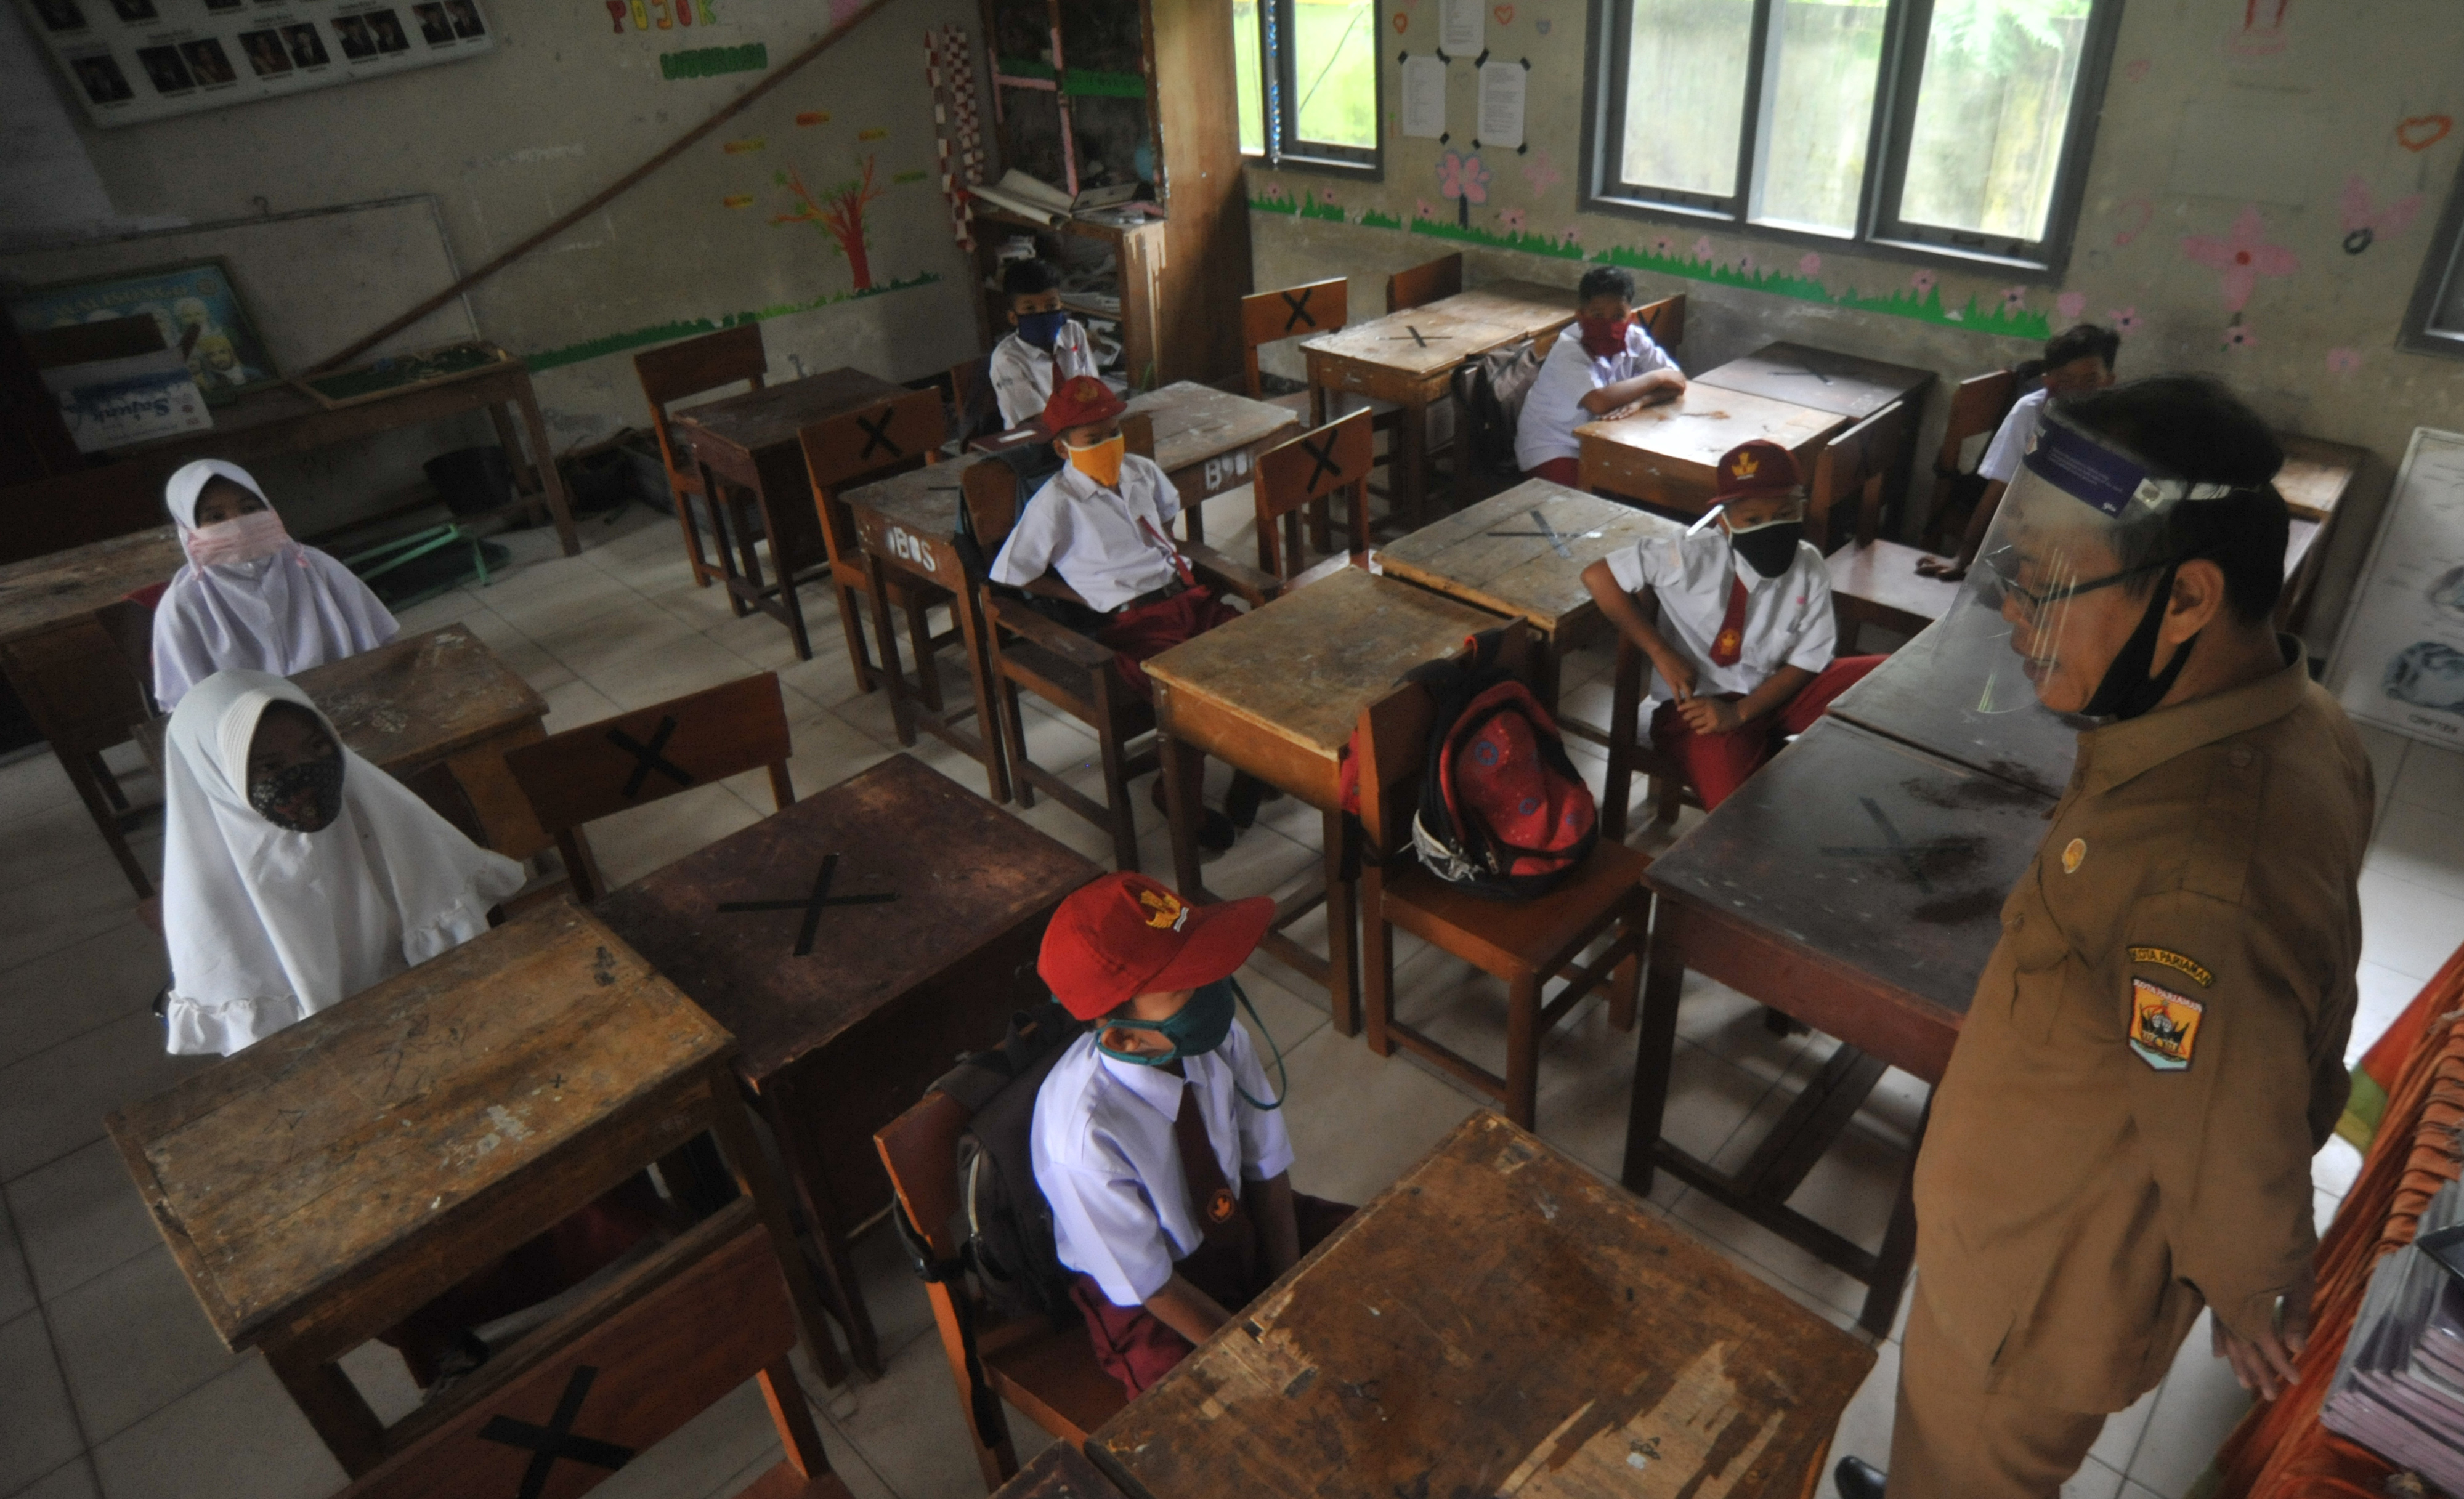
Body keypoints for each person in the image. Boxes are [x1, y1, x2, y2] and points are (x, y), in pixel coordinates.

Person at [1832, 377, 2374, 1499]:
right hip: (2033, 1222)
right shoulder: (2282, 714)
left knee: (1969, 1466)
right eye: (2017, 574)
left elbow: (2228, 1103)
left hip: (2033, 1290)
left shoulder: (2199, 875)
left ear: (2188, 598)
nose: (2021, 618)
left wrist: (2252, 1280)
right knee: (1944, 1438)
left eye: (2056, 585)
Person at [1030, 872, 1352, 1396]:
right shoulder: (1082, 1138)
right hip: (1151, 1292)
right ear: (1125, 1038)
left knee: (1376, 1255)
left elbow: (1266, 1166)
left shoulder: (1220, 1037)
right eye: (1187, 984)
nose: (1215, 983)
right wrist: (1255, 1352)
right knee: (1216, 1408)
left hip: (1236, 1217)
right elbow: (1149, 1283)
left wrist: (1288, 1290)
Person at [157, 669, 528, 1056]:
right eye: (268, 767)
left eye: (318, 749)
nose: (306, 775)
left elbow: (463, 956)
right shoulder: (208, 902)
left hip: (442, 1013)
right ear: (217, 776)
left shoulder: (378, 813)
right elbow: (268, 1056)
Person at [990, 375, 1271, 849]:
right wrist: (1085, 594)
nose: (1109, 445)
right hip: (1132, 622)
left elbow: (1165, 520)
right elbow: (1011, 574)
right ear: (1064, 450)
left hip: (1185, 598)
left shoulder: (1140, 471)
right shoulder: (1056, 504)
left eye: (1114, 432)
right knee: (1186, 696)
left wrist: (1163, 562)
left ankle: (1254, 769)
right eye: (1093, 439)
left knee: (1261, 654)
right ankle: (1178, 797)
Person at [1579, 440, 1883, 809]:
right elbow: (1599, 576)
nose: (1772, 528)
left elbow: (1808, 661)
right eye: (1753, 520)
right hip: (1700, 710)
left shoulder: (1808, 566)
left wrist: (1742, 713)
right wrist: (1660, 651)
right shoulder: (1690, 558)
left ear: (1802, 509)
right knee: (1739, 809)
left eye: (1786, 512)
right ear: (1724, 523)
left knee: (1892, 680)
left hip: (1776, 694)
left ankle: (1868, 788)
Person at [150, 459, 398, 711]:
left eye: (249, 509)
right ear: (187, 529)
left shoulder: (316, 567)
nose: (238, 524)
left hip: (350, 700)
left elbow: (381, 648)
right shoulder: (183, 604)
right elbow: (192, 705)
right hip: (255, 731)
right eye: (216, 517)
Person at [1917, 323, 2120, 582]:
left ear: (2110, 381)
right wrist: (1962, 558)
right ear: (2049, 381)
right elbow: (1998, 488)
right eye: (2067, 381)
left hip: (2084, 536)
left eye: (2091, 380)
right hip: (2030, 528)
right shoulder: (2030, 412)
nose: (2079, 391)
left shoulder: (2119, 422)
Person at [1514, 264, 1686, 487]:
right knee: (1594, 501)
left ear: (1630, 317)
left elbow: (1678, 381)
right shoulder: (1568, 350)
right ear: (1580, 316)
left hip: (1600, 440)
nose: (1608, 324)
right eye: (1597, 316)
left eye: (1618, 316)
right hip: (1554, 446)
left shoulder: (1634, 337)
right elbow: (1599, 402)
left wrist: (1642, 401)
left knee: (1648, 484)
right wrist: (1657, 377)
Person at [988, 257, 1100, 429]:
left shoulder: (1073, 332)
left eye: (1051, 306)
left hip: (1082, 429)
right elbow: (1037, 421)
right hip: (1036, 442)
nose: (1043, 315)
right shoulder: (1007, 359)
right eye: (1030, 309)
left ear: (1061, 305)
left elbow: (1094, 389)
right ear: (1013, 317)